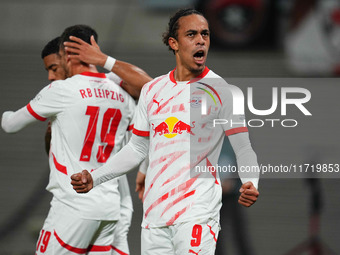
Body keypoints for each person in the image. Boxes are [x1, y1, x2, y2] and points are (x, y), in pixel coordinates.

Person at [71, 9, 260, 255]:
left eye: (205, 34)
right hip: (155, 217)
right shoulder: (153, 90)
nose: (201, 40)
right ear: (174, 43)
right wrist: (95, 177)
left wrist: (250, 182)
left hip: (197, 214)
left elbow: (243, 146)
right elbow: (137, 148)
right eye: (191, 34)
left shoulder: (221, 91)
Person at [1, 24, 151, 254]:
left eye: (57, 63)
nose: (53, 75)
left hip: (74, 204)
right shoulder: (121, 92)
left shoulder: (62, 91)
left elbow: (10, 125)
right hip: (111, 206)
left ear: (67, 55)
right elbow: (142, 125)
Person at [40, 35, 145, 255]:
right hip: (99, 198)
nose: (51, 77)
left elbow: (151, 88)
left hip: (104, 195)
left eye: (55, 68)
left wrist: (103, 59)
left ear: (71, 61)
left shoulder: (111, 82)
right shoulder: (66, 98)